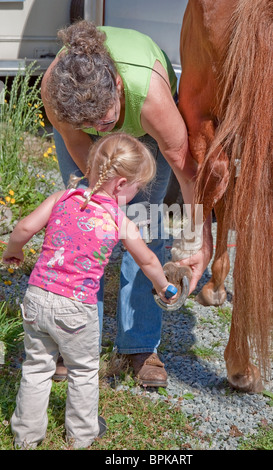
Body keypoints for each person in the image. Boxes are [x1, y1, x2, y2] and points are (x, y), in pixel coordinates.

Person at [41, 20, 213, 386]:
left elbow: (188, 173)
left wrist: (201, 240)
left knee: (146, 226)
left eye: (105, 121)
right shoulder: (56, 93)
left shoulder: (149, 96)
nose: (103, 131)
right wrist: (106, 209)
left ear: (118, 87)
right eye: (91, 124)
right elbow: (84, 149)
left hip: (144, 133)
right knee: (84, 228)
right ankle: (74, 343)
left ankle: (140, 345)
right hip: (80, 138)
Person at [2, 133, 178, 450]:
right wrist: (163, 286)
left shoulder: (63, 197)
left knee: (36, 366)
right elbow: (148, 259)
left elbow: (24, 229)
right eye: (137, 188)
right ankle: (81, 435)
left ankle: (26, 436)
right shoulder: (118, 218)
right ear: (121, 184)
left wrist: (13, 252)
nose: (136, 194)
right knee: (83, 371)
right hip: (76, 308)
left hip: (37, 297)